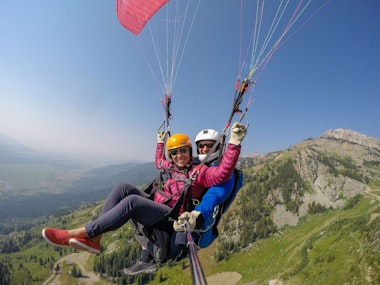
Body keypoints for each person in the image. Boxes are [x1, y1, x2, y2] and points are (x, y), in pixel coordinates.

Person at [41, 122, 247, 274]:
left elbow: (222, 175)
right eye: (174, 153)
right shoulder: (173, 165)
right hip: (159, 206)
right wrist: (160, 142)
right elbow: (159, 162)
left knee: (132, 203)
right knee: (123, 188)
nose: (178, 156)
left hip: (171, 217)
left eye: (183, 151)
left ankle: (75, 232)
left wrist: (234, 144)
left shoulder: (199, 172)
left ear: (189, 151)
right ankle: (95, 239)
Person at [168, 128, 242, 261]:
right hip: (186, 214)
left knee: (172, 252)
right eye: (201, 146)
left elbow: (214, 194)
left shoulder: (224, 174)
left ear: (218, 147)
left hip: (200, 223)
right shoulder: (197, 164)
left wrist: (198, 214)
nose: (205, 149)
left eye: (210, 145)